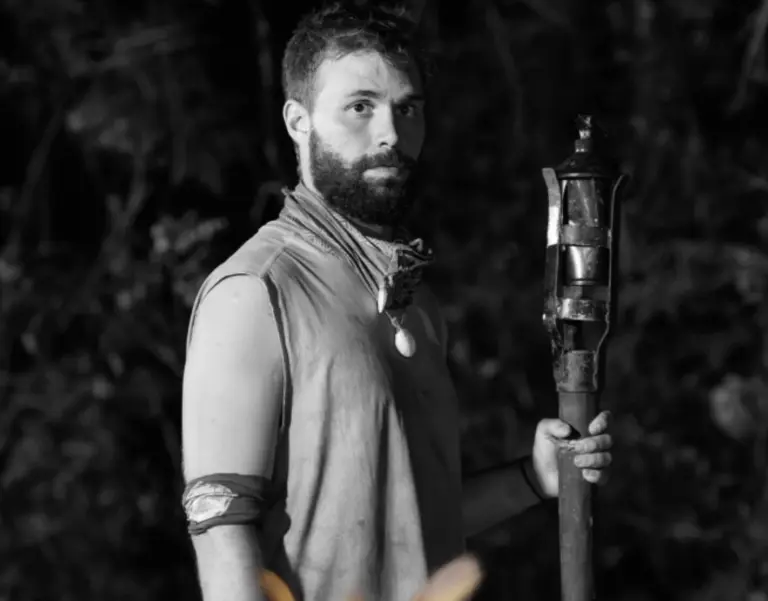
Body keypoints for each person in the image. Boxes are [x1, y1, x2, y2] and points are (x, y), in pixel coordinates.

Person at [180, 3, 614, 601]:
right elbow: (222, 533)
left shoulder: (415, 301)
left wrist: (533, 477)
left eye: (406, 109)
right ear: (298, 121)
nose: (389, 133)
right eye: (360, 106)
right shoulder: (257, 292)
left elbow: (412, 522)